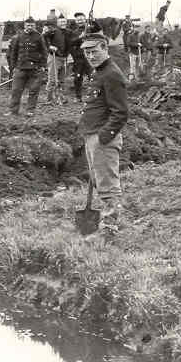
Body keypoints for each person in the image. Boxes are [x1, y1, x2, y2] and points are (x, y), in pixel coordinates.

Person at [77, 32, 129, 235]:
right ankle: (106, 221)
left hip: (102, 138)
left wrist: (103, 137)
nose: (90, 56)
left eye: (94, 51)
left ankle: (110, 227)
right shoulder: (99, 72)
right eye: (87, 53)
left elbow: (121, 112)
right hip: (92, 134)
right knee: (100, 180)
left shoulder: (112, 74)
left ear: (105, 48)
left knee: (107, 185)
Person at [7, 16, 47, 117]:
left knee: (33, 90)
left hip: (35, 69)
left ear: (35, 26)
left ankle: (30, 111)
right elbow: (13, 53)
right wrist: (13, 67)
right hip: (20, 68)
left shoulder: (39, 37)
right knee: (16, 90)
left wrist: (43, 66)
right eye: (28, 25)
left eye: (32, 25)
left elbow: (44, 52)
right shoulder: (18, 37)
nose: (30, 27)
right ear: (24, 25)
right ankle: (13, 111)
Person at [44, 14, 69, 105]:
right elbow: (43, 37)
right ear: (57, 23)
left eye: (64, 21)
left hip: (64, 58)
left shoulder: (67, 32)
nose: (63, 23)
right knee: (52, 79)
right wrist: (49, 46)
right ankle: (49, 99)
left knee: (62, 80)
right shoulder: (53, 31)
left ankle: (61, 98)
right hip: (54, 57)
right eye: (61, 22)